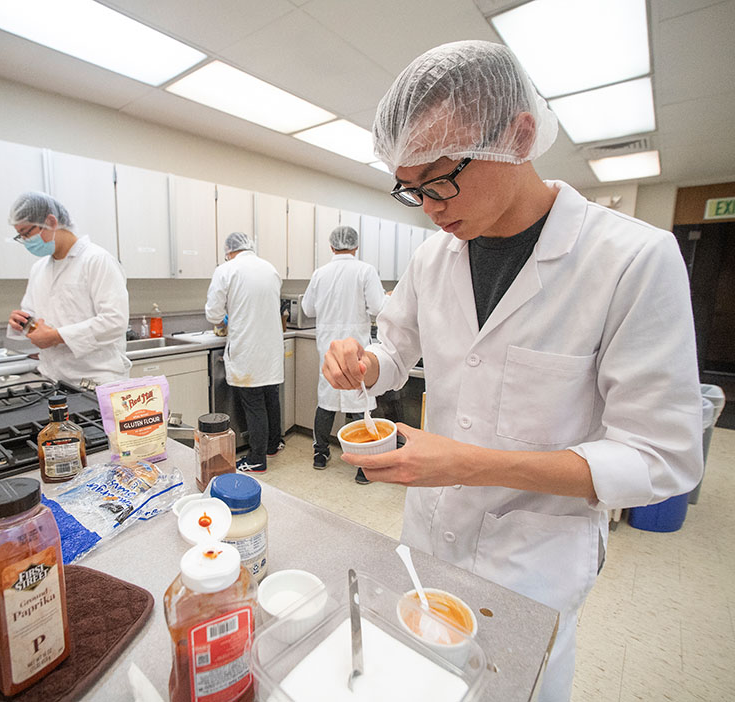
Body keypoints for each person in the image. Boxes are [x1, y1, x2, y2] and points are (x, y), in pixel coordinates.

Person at [322, 41, 703, 702]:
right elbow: (396, 353)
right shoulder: (432, 259)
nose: (432, 207)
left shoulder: (632, 260)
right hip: (429, 545)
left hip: (534, 565)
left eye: (441, 179)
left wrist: (466, 463)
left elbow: (662, 457)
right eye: (411, 190)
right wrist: (362, 362)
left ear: (519, 136)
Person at [6, 191, 131, 386]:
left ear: (51, 221)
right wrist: (22, 322)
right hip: (53, 377)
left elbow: (114, 321)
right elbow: (33, 316)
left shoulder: (97, 260)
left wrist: (56, 336)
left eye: (27, 233)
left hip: (96, 380)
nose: (26, 241)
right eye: (20, 236)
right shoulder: (39, 269)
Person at [302, 225, 386, 484]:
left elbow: (307, 309)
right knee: (361, 405)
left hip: (328, 348)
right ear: (356, 246)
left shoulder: (320, 273)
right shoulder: (365, 270)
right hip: (356, 349)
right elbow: (378, 307)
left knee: (326, 402)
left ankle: (320, 454)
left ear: (331, 246)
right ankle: (363, 467)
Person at [205, 232, 284, 474]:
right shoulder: (270, 269)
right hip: (271, 348)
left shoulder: (226, 270)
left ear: (229, 251)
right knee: (271, 397)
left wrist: (226, 316)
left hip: (247, 349)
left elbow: (213, 314)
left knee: (254, 405)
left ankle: (257, 458)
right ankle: (273, 444)